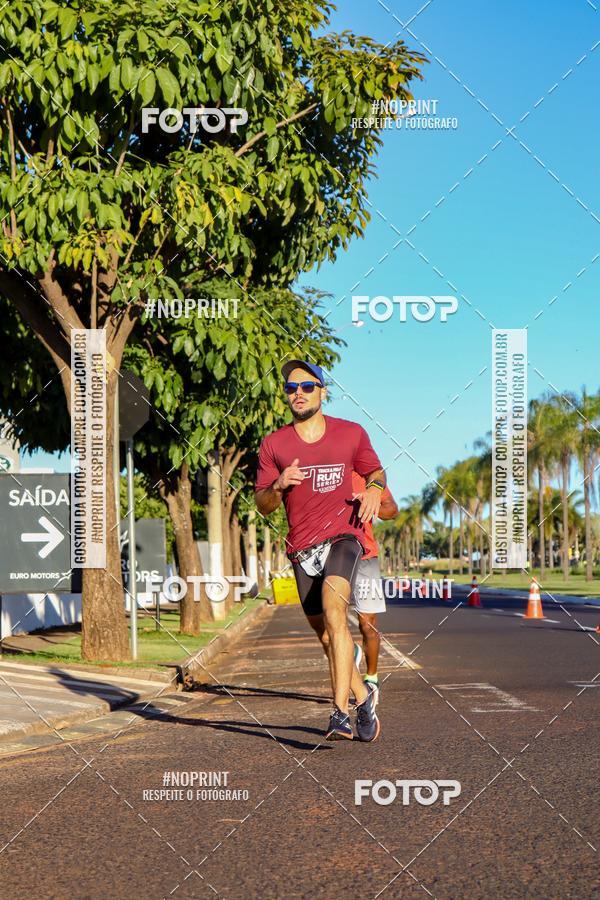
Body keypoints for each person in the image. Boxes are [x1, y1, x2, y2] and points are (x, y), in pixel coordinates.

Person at [255, 360, 386, 742]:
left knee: (335, 611)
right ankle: (363, 697)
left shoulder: (350, 434)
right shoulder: (274, 444)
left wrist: (375, 490)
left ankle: (339, 713)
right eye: (291, 388)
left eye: (307, 386)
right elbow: (263, 504)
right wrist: (278, 485)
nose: (298, 393)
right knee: (328, 635)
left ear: (323, 391)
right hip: (301, 547)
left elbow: (376, 472)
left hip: (345, 538)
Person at [351, 471, 398, 709]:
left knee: (367, 623)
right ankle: (349, 655)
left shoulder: (366, 476)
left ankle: (371, 678)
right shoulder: (321, 468)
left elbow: (392, 509)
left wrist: (371, 503)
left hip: (364, 555)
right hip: (326, 555)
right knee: (329, 619)